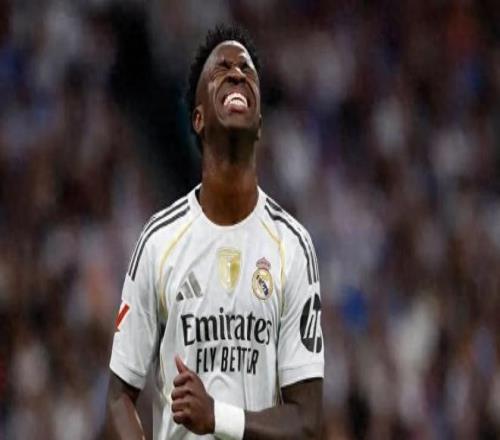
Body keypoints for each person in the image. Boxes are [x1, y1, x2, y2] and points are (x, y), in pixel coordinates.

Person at [106, 24, 324, 439]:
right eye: (221, 69)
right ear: (198, 117)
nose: (237, 72)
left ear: (259, 122)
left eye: (247, 70)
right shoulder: (158, 242)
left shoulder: (293, 246)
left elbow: (307, 420)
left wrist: (217, 417)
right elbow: (120, 395)